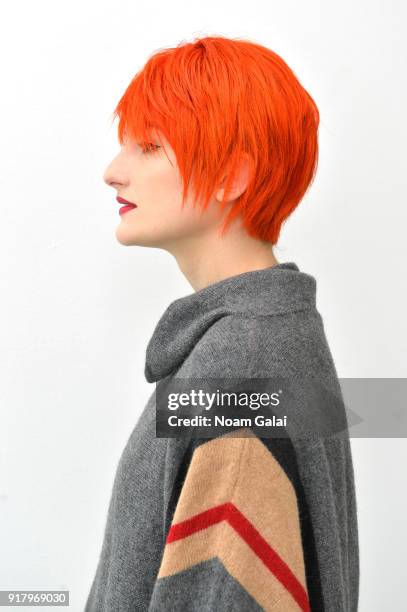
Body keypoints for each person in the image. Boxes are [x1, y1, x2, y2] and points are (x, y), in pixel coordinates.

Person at [85, 35, 359, 611]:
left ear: (231, 177)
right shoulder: (275, 335)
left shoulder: (241, 362)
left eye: (149, 146)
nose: (113, 171)